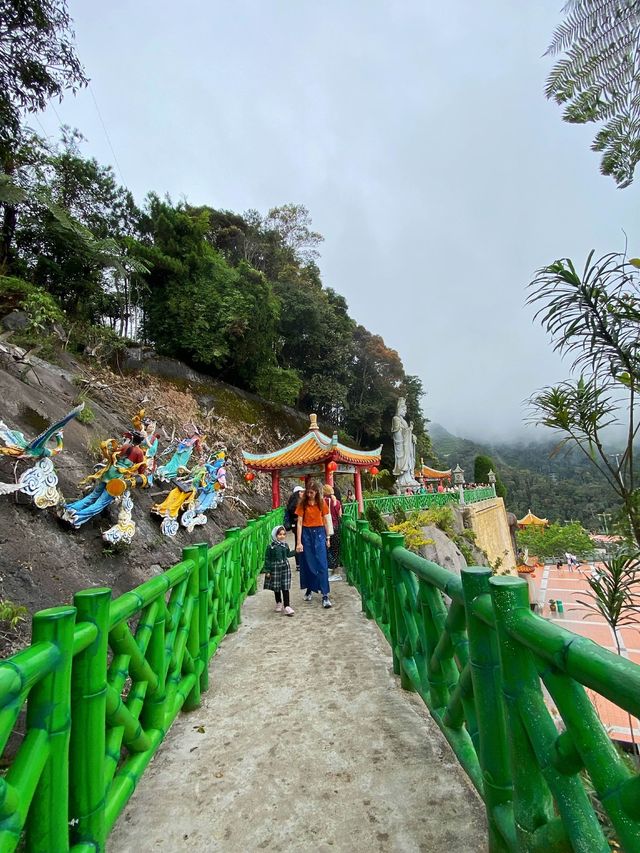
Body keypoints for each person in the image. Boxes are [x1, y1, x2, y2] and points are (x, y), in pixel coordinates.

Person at [296, 480, 333, 608]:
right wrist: (299, 542)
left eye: (311, 492)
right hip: (306, 533)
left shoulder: (322, 503)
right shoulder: (303, 504)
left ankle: (325, 594)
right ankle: (309, 589)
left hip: (319, 532)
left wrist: (328, 538)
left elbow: (327, 521)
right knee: (308, 563)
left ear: (316, 492)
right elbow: (299, 523)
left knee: (322, 563)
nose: (309, 494)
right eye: (308, 492)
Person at [263, 525, 295, 616]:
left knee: (285, 587)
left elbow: (288, 554)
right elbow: (267, 559)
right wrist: (268, 570)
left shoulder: (285, 545)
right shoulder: (270, 547)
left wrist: (296, 552)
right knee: (276, 587)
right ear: (275, 535)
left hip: (285, 567)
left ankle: (287, 606)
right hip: (275, 568)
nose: (282, 536)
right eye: (280, 534)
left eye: (284, 534)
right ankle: (278, 602)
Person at [323, 484, 342, 579]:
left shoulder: (323, 502)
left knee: (327, 549)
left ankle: (332, 570)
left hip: (326, 528)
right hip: (336, 527)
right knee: (335, 550)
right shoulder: (337, 502)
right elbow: (340, 515)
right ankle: (336, 572)